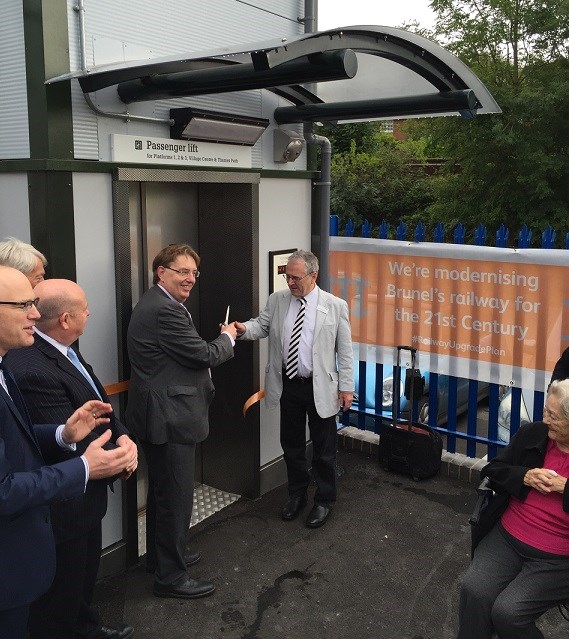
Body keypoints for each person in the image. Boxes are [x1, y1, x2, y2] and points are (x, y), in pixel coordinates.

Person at [0, 266, 136, 639]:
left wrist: (64, 433)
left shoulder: (9, 366)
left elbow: (21, 437)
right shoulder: (24, 366)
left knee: (74, 594)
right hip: (32, 536)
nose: (33, 313)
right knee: (52, 612)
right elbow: (5, 489)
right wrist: (85, 466)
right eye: (23, 304)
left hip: (54, 517)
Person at [126, 243, 236, 599]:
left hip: (159, 414)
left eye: (193, 273)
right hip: (170, 418)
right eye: (182, 271)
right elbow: (204, 353)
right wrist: (228, 337)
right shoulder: (165, 311)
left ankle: (161, 558)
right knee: (175, 496)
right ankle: (171, 578)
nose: (190, 279)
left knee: (163, 493)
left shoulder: (158, 303)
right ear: (162, 272)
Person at [235, 250, 354, 528]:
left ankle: (324, 500)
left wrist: (346, 388)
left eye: (295, 277)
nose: (289, 282)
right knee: (292, 445)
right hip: (289, 385)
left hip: (320, 387)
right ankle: (296, 494)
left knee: (324, 450)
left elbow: (345, 351)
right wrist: (241, 329)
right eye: (287, 276)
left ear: (313, 276)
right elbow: (261, 326)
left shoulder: (335, 306)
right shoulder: (277, 301)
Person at [458, 379, 569, 639]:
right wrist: (524, 476)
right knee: (474, 590)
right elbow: (492, 471)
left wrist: (566, 488)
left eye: (554, 416)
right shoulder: (534, 434)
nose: (546, 420)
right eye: (545, 411)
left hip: (557, 558)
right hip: (508, 537)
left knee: (508, 613)